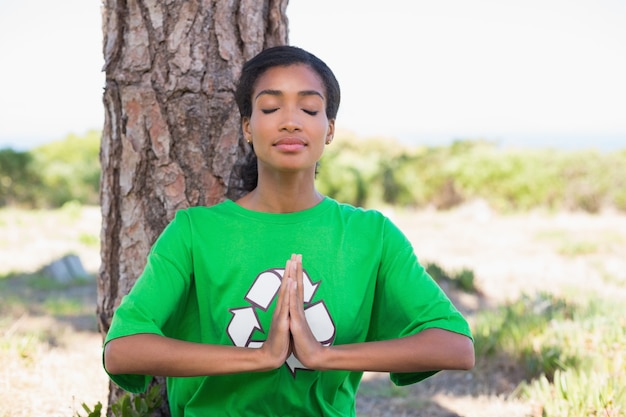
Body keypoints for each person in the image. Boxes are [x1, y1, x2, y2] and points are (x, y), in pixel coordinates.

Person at [103, 45, 474, 416]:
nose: (290, 121)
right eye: (270, 108)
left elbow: (455, 345)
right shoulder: (194, 232)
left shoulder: (370, 235)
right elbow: (123, 350)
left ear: (329, 129)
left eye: (309, 109)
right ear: (248, 127)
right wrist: (260, 357)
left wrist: (323, 356)